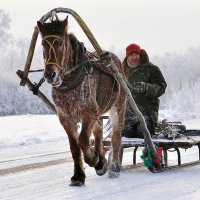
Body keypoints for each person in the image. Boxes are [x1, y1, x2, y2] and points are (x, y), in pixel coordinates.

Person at [122, 43, 167, 138]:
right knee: (125, 134)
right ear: (127, 57)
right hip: (126, 115)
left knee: (143, 133)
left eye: (136, 54)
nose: (134, 58)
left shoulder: (152, 69)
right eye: (131, 55)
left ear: (140, 55)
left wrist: (146, 87)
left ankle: (149, 153)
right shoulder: (121, 70)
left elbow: (161, 87)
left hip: (147, 114)